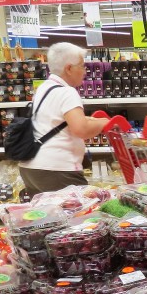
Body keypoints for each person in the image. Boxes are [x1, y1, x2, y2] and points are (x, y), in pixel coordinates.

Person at [19, 42, 110, 196]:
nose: (85, 71)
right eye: (82, 66)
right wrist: (106, 123)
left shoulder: (44, 88)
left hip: (32, 167)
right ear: (69, 68)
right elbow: (81, 129)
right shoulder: (67, 92)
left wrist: (94, 121)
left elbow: (60, 120)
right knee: (82, 215)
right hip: (57, 170)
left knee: (50, 215)